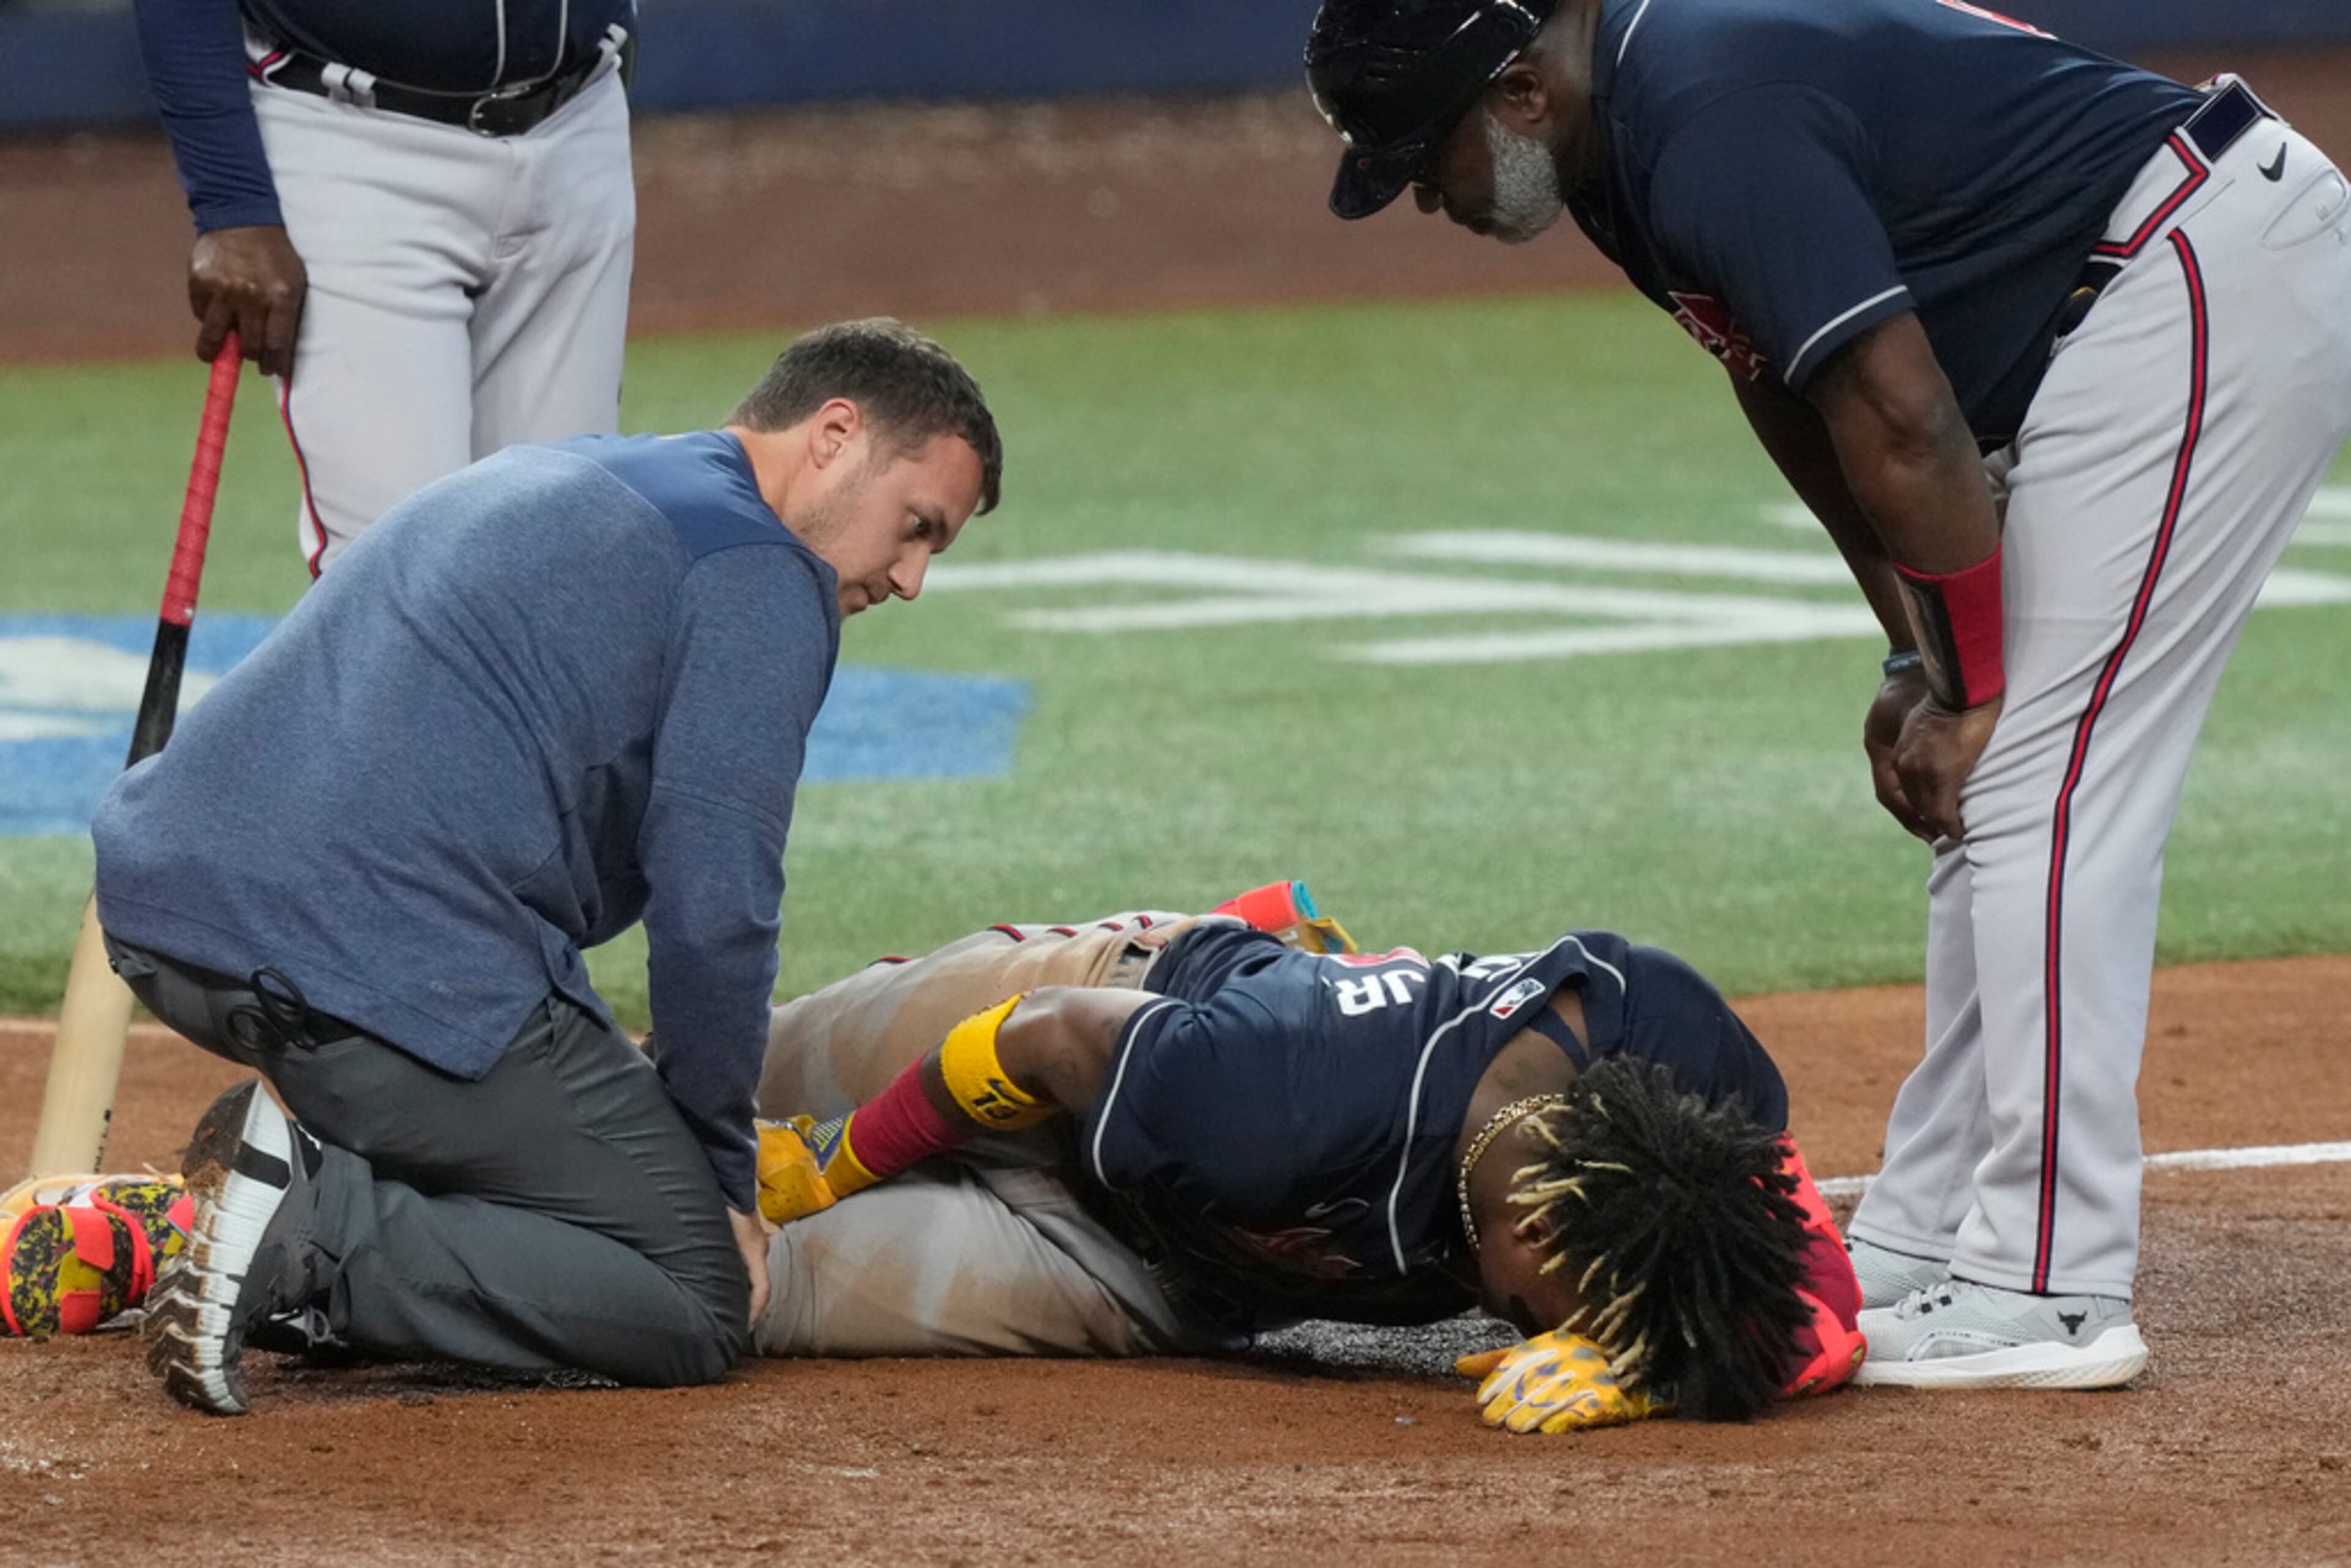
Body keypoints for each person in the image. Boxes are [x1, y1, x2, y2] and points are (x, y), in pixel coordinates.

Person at [1303, 0, 2351, 1389]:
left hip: (2190, 268)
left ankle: (2051, 1284)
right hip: (2128, 293)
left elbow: (1903, 410)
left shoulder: (1705, 112)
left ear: (1517, 89)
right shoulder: (1618, 146)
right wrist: (1917, 658)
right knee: (1990, 778)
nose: (1424, 196)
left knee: (2035, 775)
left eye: (1421, 153)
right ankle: (1930, 1228)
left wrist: (1968, 686)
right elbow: (1799, 399)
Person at [88, 318, 1003, 1415]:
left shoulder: (590, 471)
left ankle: (271, 1230)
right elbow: (716, 912)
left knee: (560, 1155)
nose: (910, 578)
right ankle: (313, 1229)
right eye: (916, 526)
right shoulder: (763, 571)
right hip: (367, 968)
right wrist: (719, 1173)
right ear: (835, 434)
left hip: (165, 919)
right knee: (694, 1293)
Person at [746, 895, 1866, 1431]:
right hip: (1084, 1019)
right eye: (1555, 1317)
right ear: (1535, 1226)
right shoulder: (1287, 1097)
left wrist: (1659, 1367)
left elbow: (1822, 1301)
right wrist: (839, 1161)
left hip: (1140, 1273)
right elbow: (1041, 1041)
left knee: (739, 1282)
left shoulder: (1680, 1063)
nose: (1550, 1340)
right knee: (723, 1081)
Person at [131, 0, 640, 573]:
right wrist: (231, 202)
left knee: (561, 555)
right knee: (403, 567)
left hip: (579, 126)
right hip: (355, 142)